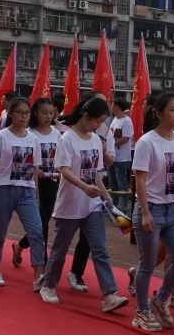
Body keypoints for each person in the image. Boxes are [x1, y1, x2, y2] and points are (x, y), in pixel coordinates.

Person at [41, 97, 128, 312]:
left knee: (100, 250)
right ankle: (48, 285)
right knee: (60, 250)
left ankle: (110, 294)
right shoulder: (67, 139)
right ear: (86, 116)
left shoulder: (96, 140)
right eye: (97, 121)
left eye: (102, 122)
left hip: (92, 206)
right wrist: (83, 187)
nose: (99, 126)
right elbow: (64, 169)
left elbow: (97, 174)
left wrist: (107, 199)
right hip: (70, 205)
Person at [131, 93, 174, 332]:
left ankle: (160, 300)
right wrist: (145, 212)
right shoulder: (147, 142)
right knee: (147, 263)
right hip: (152, 209)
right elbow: (140, 179)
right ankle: (141, 312)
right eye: (172, 110)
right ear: (158, 114)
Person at [0, 97, 45, 287]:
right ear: (10, 113)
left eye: (27, 112)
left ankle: (38, 277)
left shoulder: (33, 138)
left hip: (27, 190)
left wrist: (36, 195)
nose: (24, 116)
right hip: (4, 189)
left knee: (36, 232)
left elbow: (34, 168)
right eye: (20, 112)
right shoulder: (1, 137)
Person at [13, 98, 62, 270]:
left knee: (44, 221)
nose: (48, 116)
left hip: (52, 181)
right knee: (40, 222)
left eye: (51, 113)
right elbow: (23, 158)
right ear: (35, 113)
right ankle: (44, 263)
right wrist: (35, 169)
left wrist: (59, 169)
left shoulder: (57, 134)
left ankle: (19, 246)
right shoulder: (29, 133)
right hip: (33, 183)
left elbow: (61, 156)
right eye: (44, 113)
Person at [108, 98, 134, 192]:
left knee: (122, 183)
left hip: (121, 157)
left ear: (117, 107)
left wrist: (111, 144)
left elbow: (126, 138)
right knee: (112, 183)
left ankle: (123, 205)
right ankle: (114, 204)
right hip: (111, 155)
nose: (111, 107)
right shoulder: (115, 119)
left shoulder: (126, 121)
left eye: (112, 105)